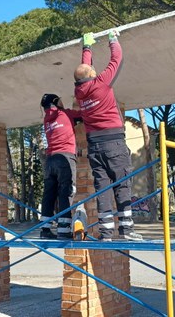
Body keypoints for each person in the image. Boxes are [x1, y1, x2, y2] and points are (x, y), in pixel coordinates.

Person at [73, 30, 143, 241]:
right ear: (93, 75)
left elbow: (84, 70)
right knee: (122, 183)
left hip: (95, 146)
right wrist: (113, 39)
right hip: (113, 142)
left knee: (102, 188)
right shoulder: (101, 83)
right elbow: (117, 59)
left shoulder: (79, 91)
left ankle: (106, 233)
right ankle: (127, 229)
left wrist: (87, 48)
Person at [39, 93, 82, 239]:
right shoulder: (65, 113)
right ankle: (64, 230)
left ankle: (45, 229)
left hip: (50, 160)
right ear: (56, 102)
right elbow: (83, 115)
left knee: (49, 194)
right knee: (66, 191)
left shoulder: (46, 120)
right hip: (65, 158)